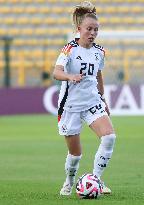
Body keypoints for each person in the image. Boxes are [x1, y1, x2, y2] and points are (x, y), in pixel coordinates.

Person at [53, 1, 116, 196]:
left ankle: (96, 180)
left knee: (109, 138)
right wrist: (70, 76)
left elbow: (98, 75)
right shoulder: (69, 49)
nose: (93, 33)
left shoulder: (99, 52)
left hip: (92, 102)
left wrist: (103, 99)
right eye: (89, 29)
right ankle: (69, 181)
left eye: (96, 30)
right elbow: (56, 72)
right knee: (75, 154)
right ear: (79, 28)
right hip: (70, 106)